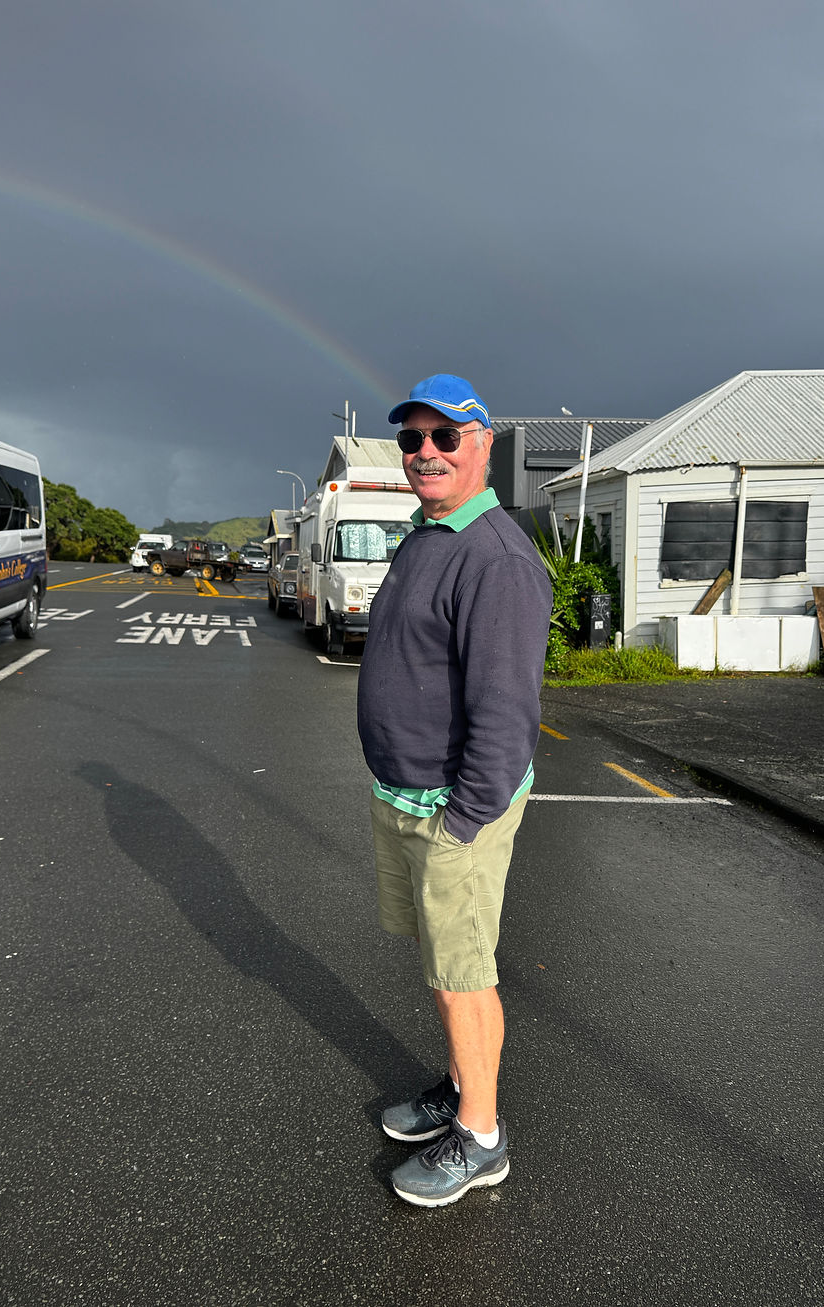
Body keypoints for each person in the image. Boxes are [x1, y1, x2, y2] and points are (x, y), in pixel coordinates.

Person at [357, 373, 552, 1207]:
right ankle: (458, 1083)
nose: (426, 452)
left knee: (464, 971)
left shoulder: (498, 557)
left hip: (452, 812)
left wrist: (465, 819)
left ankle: (481, 1135)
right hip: (405, 796)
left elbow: (506, 716)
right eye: (413, 439)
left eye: (446, 436)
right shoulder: (428, 534)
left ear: (485, 445)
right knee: (443, 966)